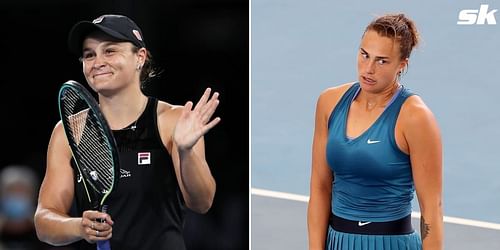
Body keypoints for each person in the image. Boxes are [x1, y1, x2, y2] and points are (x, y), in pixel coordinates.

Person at [34, 14, 220, 250]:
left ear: (139, 58)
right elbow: (44, 220)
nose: (97, 62)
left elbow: (202, 202)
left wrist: (186, 152)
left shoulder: (173, 120)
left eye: (109, 51)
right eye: (89, 54)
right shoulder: (69, 131)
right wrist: (78, 227)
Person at [307, 13, 443, 250]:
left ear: (402, 65)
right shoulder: (328, 102)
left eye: (382, 61)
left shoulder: (416, 118)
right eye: (364, 55)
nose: (368, 69)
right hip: (337, 242)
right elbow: (320, 187)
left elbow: (432, 208)